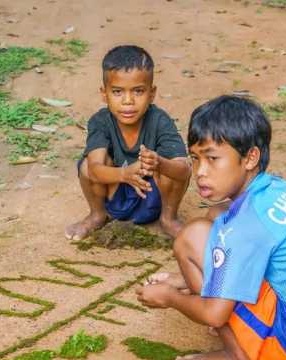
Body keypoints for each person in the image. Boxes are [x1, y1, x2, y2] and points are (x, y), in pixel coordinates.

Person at [136, 95, 286, 360]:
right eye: (195, 158)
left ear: (250, 157)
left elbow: (214, 316)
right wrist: (180, 279)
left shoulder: (244, 228)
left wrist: (170, 297)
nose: (200, 171)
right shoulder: (276, 188)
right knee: (217, 215)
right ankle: (225, 300)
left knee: (191, 238)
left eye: (213, 158)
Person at [64, 45, 191, 240]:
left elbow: (184, 170)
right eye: (117, 92)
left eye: (138, 91)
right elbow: (95, 169)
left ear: (152, 93)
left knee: (173, 165)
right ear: (104, 94)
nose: (128, 101)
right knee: (87, 166)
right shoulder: (100, 121)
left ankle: (169, 219)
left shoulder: (159, 120)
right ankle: (97, 214)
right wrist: (124, 174)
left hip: (151, 201)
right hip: (115, 197)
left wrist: (160, 163)